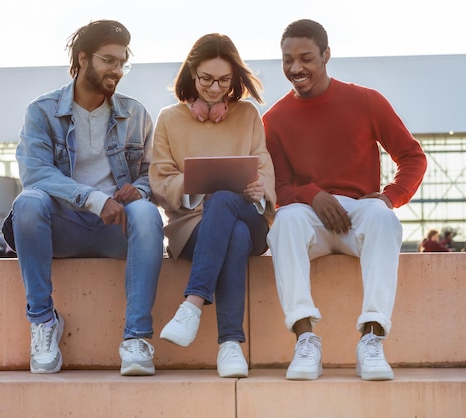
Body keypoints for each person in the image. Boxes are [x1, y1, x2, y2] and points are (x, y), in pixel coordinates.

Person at [263, 19, 427, 381]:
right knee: (285, 222)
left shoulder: (366, 101)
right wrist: (313, 194)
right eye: (287, 59)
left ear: (326, 55)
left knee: (384, 218)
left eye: (306, 58)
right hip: (308, 218)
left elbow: (413, 157)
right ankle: (306, 340)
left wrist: (391, 196)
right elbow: (277, 187)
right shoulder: (273, 119)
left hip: (360, 213)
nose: (295, 68)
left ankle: (372, 341)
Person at [2, 20, 164, 376]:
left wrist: (141, 188)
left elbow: (154, 171)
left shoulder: (135, 114)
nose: (117, 70)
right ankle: (43, 322)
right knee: (28, 203)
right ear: (83, 58)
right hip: (65, 226)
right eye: (109, 60)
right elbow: (36, 173)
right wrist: (93, 199)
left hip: (116, 230)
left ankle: (136, 338)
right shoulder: (42, 111)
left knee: (148, 214)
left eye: (122, 62)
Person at [149, 33, 276, 378]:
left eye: (224, 80)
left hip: (250, 219)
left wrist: (258, 190)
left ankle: (192, 304)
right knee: (229, 230)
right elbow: (159, 176)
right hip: (191, 226)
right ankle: (230, 345)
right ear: (191, 72)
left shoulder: (247, 114)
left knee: (227, 205)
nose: (215, 88)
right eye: (206, 79)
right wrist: (193, 186)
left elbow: (263, 166)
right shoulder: (169, 118)